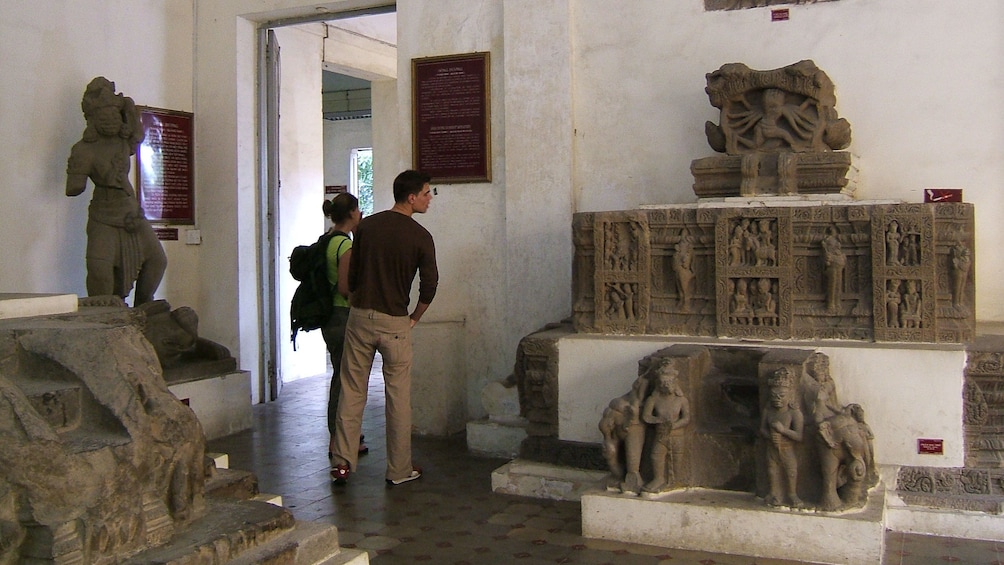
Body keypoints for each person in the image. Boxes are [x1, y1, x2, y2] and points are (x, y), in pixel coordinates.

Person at [330, 170, 438, 486]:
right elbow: (429, 285)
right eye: (427, 193)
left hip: (361, 317)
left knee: (351, 391)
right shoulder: (420, 237)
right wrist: (414, 318)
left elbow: (354, 271)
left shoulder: (367, 227)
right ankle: (399, 469)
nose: (430, 198)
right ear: (411, 197)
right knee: (398, 397)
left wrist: (356, 298)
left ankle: (342, 464)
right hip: (395, 321)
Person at [66, 77, 167, 305]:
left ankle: (144, 305)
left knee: (157, 260)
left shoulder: (122, 142)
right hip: (103, 213)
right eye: (104, 117)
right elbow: (73, 188)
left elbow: (137, 134)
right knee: (99, 269)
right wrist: (77, 172)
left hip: (130, 212)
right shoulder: (83, 150)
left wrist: (128, 106)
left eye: (114, 115)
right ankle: (106, 315)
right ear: (92, 120)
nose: (111, 121)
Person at [319, 194, 367, 460]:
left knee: (340, 374)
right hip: (342, 315)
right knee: (345, 378)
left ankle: (341, 437)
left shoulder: (327, 239)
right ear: (351, 213)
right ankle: (339, 439)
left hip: (329, 316)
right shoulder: (344, 246)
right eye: (358, 210)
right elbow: (345, 288)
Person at [640, 360, 690, 493]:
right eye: (663, 383)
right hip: (661, 434)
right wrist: (658, 420)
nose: (665, 386)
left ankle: (675, 481)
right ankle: (659, 478)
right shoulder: (653, 400)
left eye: (669, 383)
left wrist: (674, 425)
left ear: (675, 384)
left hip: (677, 435)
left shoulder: (681, 400)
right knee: (656, 456)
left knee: (676, 459)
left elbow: (686, 418)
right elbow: (646, 416)